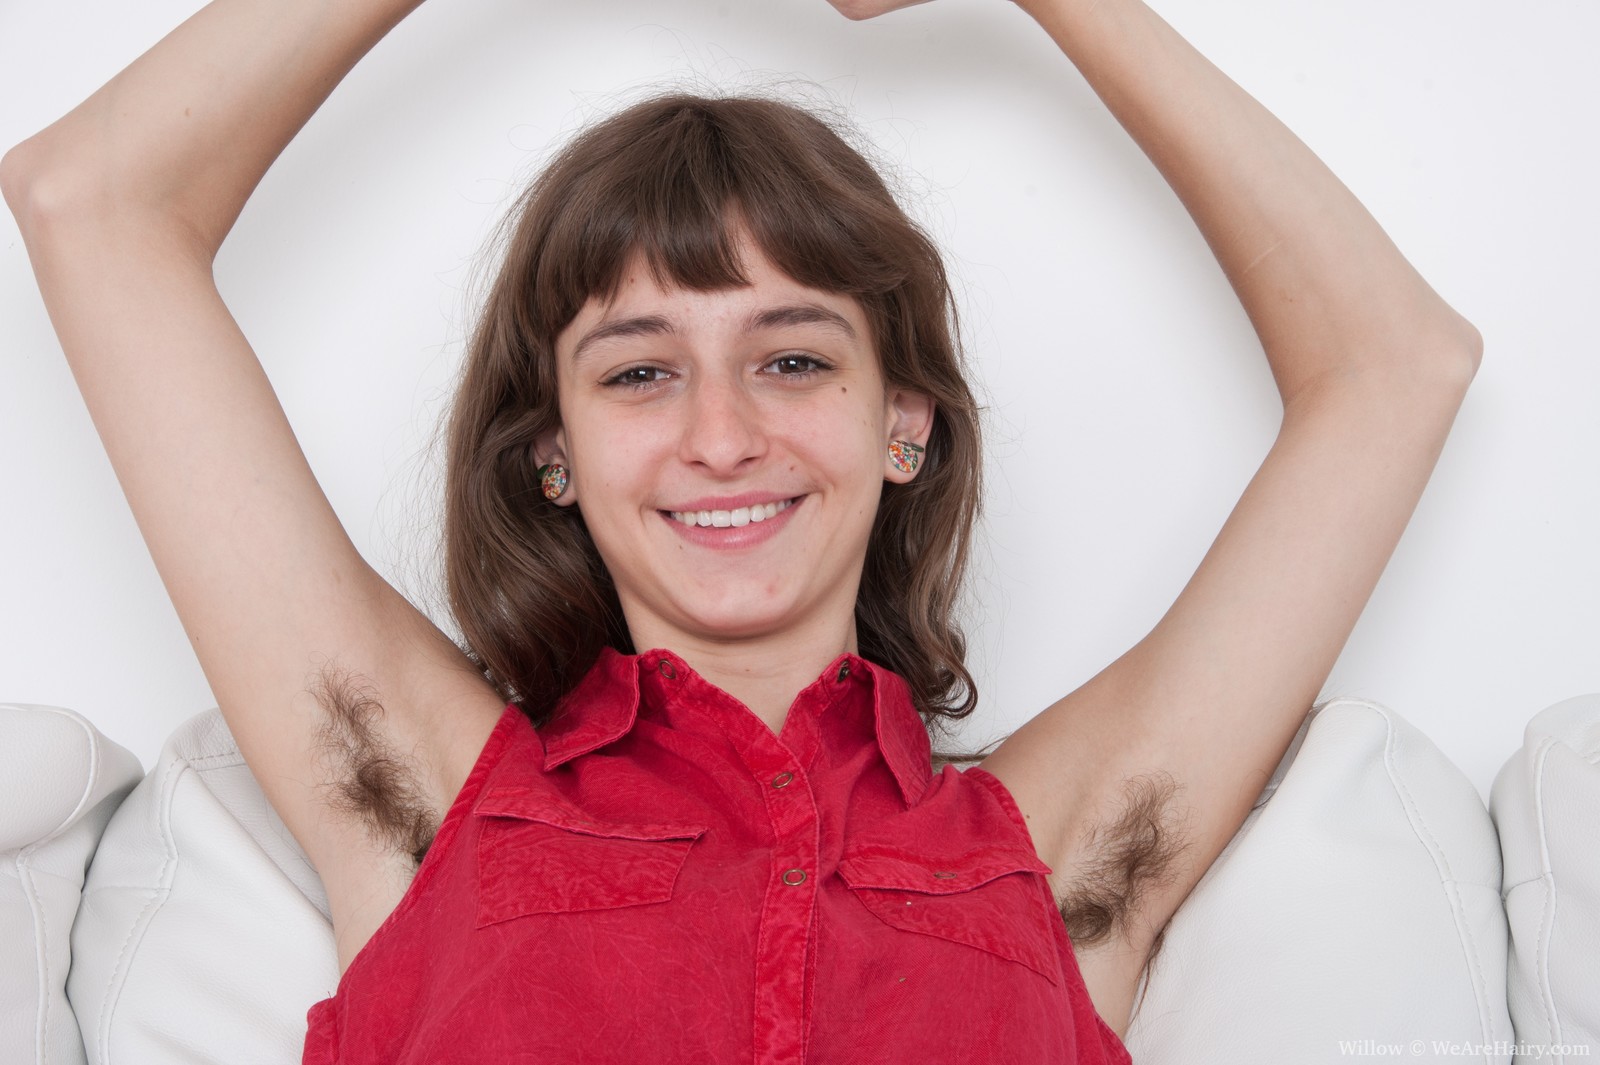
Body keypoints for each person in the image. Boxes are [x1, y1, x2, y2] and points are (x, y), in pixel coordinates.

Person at [0, 0, 1481, 1060]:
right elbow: (89, 199)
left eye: (793, 359)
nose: (721, 435)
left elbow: (1397, 367)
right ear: (555, 455)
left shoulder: (1049, 858)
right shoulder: (434, 801)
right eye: (639, 373)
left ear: (904, 425)